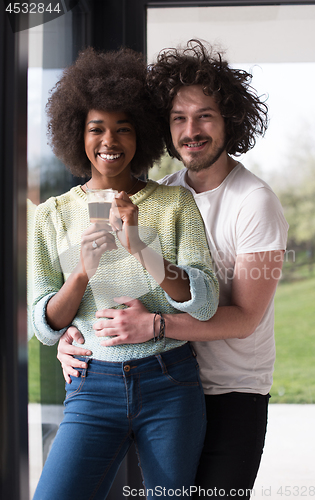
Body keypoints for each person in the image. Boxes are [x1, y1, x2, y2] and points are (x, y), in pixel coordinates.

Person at [57, 40, 289, 499]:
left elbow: (245, 318)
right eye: (179, 118)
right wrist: (73, 337)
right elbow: (113, 281)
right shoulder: (163, 195)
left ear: (230, 121)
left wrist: (156, 324)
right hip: (164, 385)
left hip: (231, 393)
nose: (191, 130)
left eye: (205, 115)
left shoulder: (254, 203)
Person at [31, 46, 219, 500]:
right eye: (97, 128)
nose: (109, 141)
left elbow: (207, 301)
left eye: (123, 129)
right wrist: (82, 273)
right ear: (77, 133)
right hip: (91, 386)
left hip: (169, 382)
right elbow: (44, 323)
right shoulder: (52, 215)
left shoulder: (175, 204)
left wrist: (140, 247)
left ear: (143, 136)